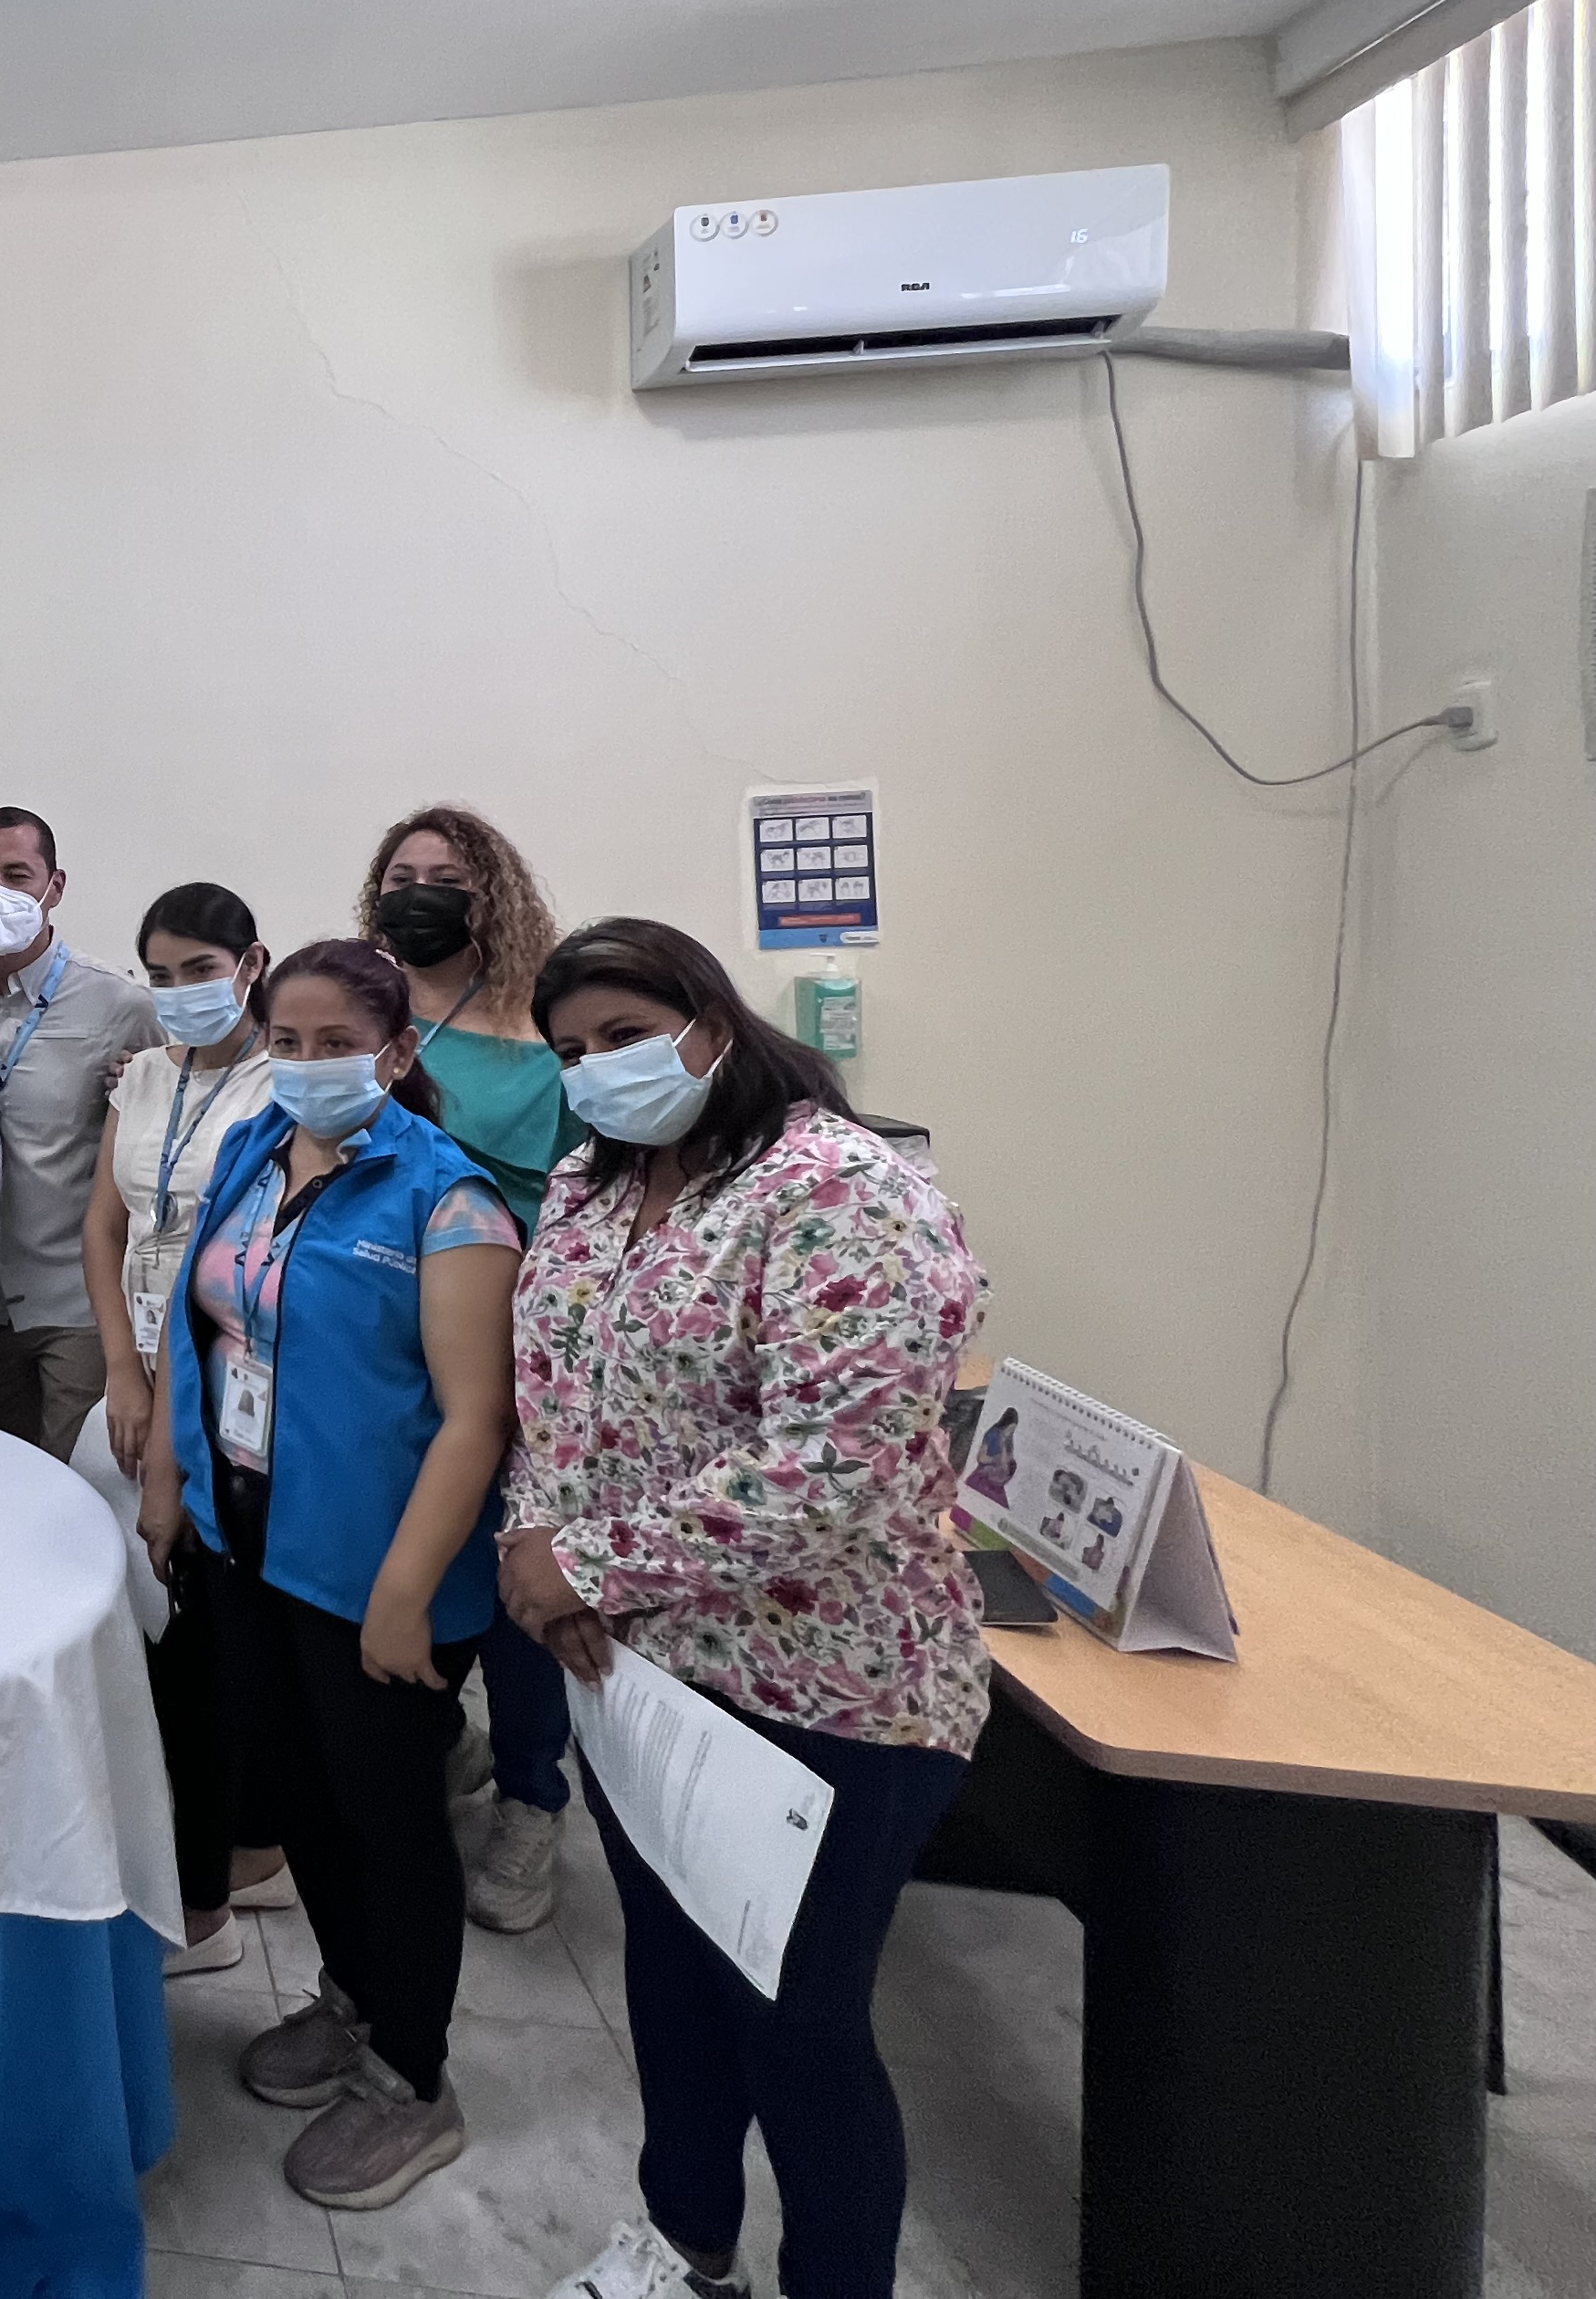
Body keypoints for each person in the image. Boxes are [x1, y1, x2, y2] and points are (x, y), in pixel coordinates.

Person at [499, 920, 986, 2299]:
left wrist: (592, 1566)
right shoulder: (590, 1185)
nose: (598, 1069)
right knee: (669, 1979)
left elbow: (841, 1460)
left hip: (828, 1692)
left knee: (796, 2029)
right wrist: (536, 1537)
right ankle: (684, 2243)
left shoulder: (836, 1186)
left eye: (624, 1035)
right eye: (571, 1051)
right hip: (643, 1676)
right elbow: (553, 1395)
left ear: (710, 1024)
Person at [133, 938, 521, 2216]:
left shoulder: (448, 1201)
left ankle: (414, 2078)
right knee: (298, 1795)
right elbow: (197, 1326)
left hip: (378, 1573)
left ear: (395, 1053)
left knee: (387, 1819)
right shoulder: (257, 1152)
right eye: (286, 1043)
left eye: (336, 1045)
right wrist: (172, 1482)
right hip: (252, 1549)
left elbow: (475, 1418)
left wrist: (406, 1594)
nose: (306, 1066)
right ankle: (352, 2001)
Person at [360, 803, 589, 1932]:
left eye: (445, 877)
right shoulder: (367, 1013)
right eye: (400, 875)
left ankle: (533, 1799)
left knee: (512, 1575)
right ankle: (451, 1739)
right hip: (377, 1331)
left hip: (509, 1336)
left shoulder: (544, 1032)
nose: (418, 893)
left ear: (490, 893)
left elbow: (585, 1199)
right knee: (406, 1548)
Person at [81, 882, 285, 1977]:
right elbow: (104, 1226)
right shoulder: (144, 1078)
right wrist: (123, 1369)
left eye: (200, 970)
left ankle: (209, 1898)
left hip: (227, 1388)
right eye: (159, 975)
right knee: (144, 1622)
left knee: (209, 1643)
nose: (178, 993)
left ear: (251, 965)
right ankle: (221, 1853)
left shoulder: (282, 1083)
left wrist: (169, 1410)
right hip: (140, 1373)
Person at [0, 808, 160, 1458]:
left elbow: (163, 1121)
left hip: (77, 1302)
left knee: (78, 1479)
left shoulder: (121, 1004)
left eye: (16, 874)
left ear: (54, 887)